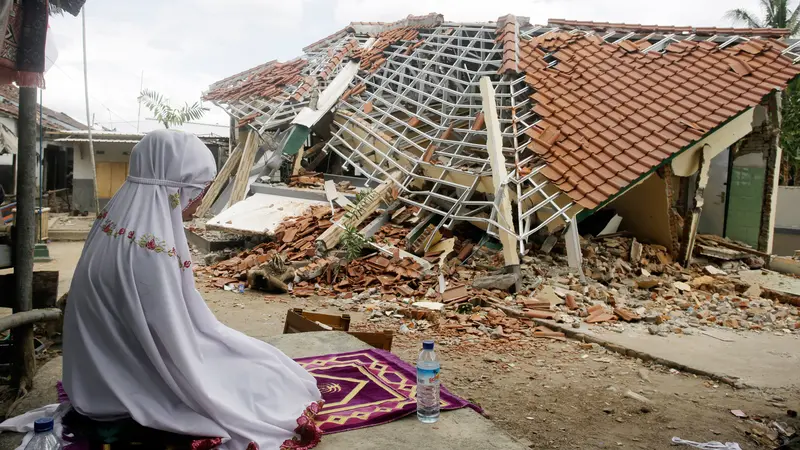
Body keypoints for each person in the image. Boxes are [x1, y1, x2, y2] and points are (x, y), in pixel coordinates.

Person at [61, 130, 323, 450]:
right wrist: (206, 357)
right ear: (174, 186)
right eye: (197, 190)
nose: (198, 200)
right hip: (125, 380)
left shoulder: (117, 221)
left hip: (95, 373)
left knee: (251, 359)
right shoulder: (149, 250)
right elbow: (170, 336)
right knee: (260, 378)